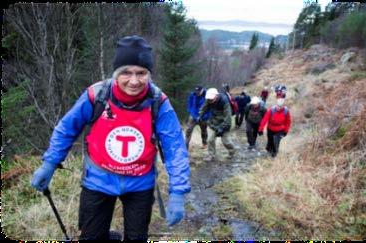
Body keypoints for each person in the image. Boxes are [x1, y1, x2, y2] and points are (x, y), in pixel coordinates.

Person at [31, 35, 190, 241]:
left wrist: (177, 192)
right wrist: (50, 163)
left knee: (136, 238)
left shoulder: (158, 102)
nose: (134, 81)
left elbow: (175, 147)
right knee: (92, 237)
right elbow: (66, 129)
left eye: (141, 73)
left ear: (149, 74)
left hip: (140, 183)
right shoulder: (96, 95)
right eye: (126, 72)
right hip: (98, 180)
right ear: (116, 74)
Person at [198, 88, 236, 162]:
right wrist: (200, 115)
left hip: (224, 123)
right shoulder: (208, 99)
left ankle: (232, 152)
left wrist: (222, 128)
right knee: (210, 140)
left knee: (226, 141)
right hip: (213, 122)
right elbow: (203, 108)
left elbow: (228, 117)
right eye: (209, 100)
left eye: (212, 99)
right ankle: (211, 155)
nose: (210, 101)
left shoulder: (224, 101)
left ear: (216, 96)